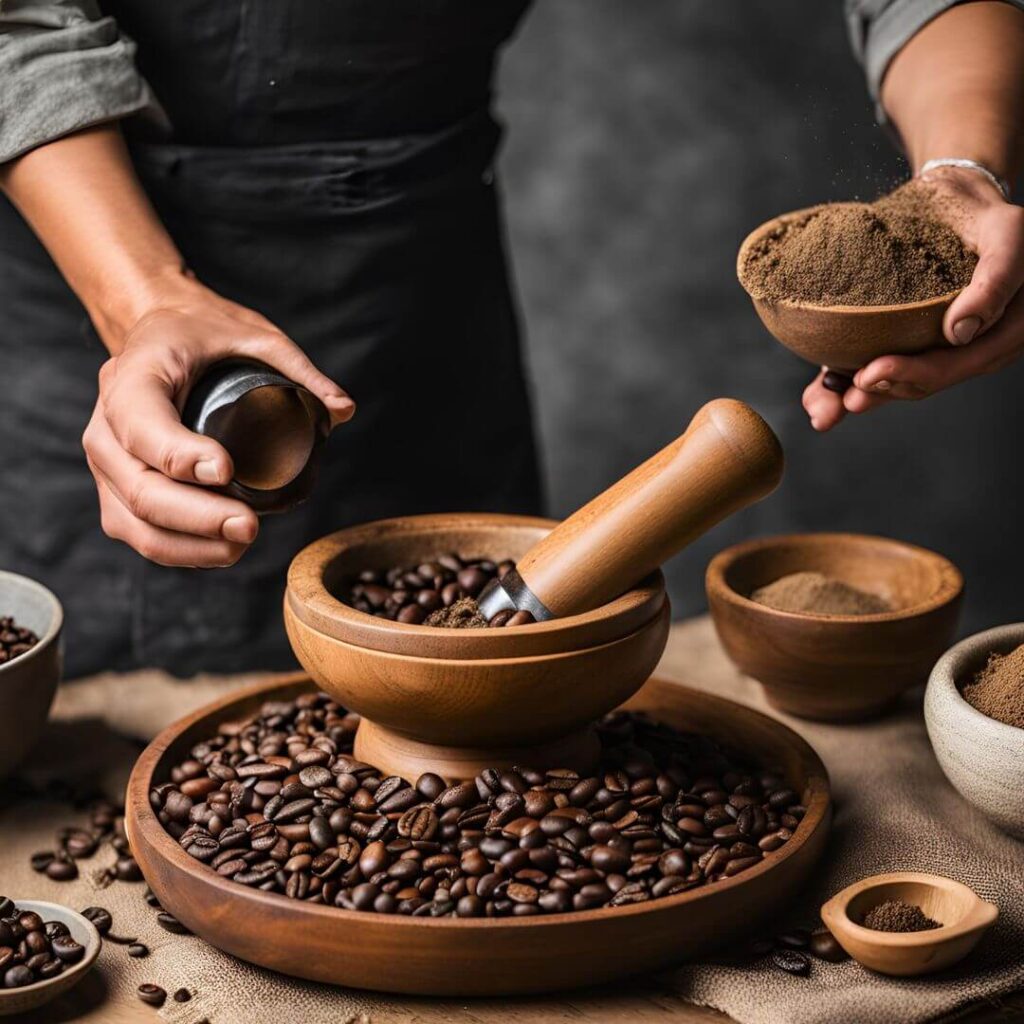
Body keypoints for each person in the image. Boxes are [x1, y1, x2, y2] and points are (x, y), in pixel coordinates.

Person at [0, 1, 1020, 677]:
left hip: (410, 277)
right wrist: (141, 299)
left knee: (483, 674)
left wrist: (959, 173)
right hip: (78, 255)